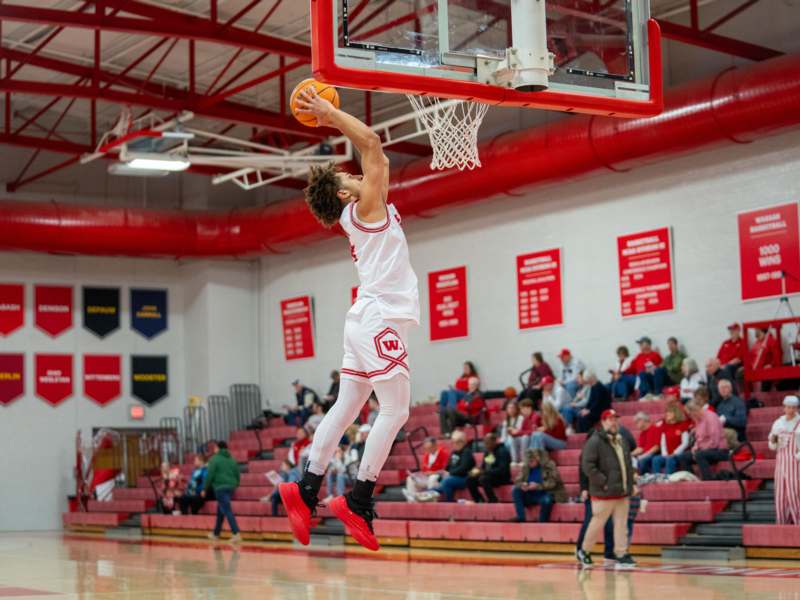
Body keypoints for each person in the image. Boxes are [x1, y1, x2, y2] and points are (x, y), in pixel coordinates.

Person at [279, 89, 421, 552]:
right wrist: (330, 114)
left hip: (364, 318)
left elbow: (376, 159)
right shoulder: (365, 209)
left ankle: (306, 489)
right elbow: (373, 146)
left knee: (346, 406)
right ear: (345, 194)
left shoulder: (364, 213)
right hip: (379, 317)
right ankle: (358, 499)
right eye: (349, 176)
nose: (358, 175)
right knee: (396, 410)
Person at [577, 409, 636, 569]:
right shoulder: (595, 441)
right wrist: (603, 482)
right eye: (610, 419)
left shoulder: (622, 440)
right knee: (596, 524)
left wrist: (631, 484)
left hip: (622, 492)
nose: (614, 422)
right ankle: (584, 551)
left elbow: (628, 465)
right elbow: (587, 465)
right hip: (603, 492)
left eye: (615, 419)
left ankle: (621, 554)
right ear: (603, 422)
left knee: (621, 524)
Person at [510, 448, 567, 523]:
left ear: (538, 458)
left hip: (547, 493)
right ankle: (521, 517)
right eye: (528, 462)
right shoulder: (526, 466)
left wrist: (538, 486)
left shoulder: (549, 465)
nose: (529, 464)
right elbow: (518, 480)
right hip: (531, 494)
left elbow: (553, 482)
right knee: (515, 490)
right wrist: (522, 484)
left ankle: (542, 522)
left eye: (531, 461)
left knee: (546, 500)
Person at [677, 399, 729, 480]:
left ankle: (708, 480)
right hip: (704, 450)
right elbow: (699, 439)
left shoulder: (711, 417)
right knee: (683, 457)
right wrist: (695, 449)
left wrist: (699, 450)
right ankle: (692, 479)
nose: (690, 416)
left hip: (719, 450)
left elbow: (714, 441)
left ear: (695, 410)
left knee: (700, 455)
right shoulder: (698, 419)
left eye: (690, 414)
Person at [768, 396, 800, 524]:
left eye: (793, 408)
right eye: (788, 407)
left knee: (795, 493)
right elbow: (772, 445)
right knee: (781, 494)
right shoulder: (778, 423)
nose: (790, 410)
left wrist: (797, 457)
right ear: (784, 408)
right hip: (781, 463)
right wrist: (774, 440)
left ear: (797, 409)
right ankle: (782, 523)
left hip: (796, 465)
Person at [204, 441, 241, 544]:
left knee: (227, 509)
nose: (214, 450)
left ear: (218, 448)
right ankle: (216, 533)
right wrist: (236, 484)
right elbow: (237, 473)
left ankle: (236, 533)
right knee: (221, 510)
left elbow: (210, 475)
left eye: (215, 448)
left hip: (220, 487)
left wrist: (204, 488)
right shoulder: (232, 459)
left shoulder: (214, 459)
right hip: (231, 487)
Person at [466, 433, 511, 503]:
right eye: (485, 443)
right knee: (470, 479)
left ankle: (493, 500)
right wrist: (477, 471)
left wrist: (485, 472)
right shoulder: (487, 452)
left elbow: (502, 470)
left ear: (494, 441)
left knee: (484, 479)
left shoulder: (502, 451)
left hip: (501, 477)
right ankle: (479, 500)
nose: (486, 446)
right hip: (488, 475)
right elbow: (484, 466)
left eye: (488, 443)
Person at [433, 431, 476, 502]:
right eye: (453, 442)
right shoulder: (454, 452)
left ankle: (450, 502)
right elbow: (447, 467)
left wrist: (450, 473)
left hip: (464, 478)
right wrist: (439, 479)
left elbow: (463, 468)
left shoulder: (467, 452)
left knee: (446, 481)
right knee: (433, 488)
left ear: (463, 442)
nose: (454, 444)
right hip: (453, 477)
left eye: (457, 442)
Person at [403, 436, 450, 501]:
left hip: (438, 478)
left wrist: (432, 473)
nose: (427, 450)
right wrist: (418, 475)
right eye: (426, 448)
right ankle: (412, 500)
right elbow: (423, 469)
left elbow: (445, 470)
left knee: (432, 478)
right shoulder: (427, 454)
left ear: (435, 445)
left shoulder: (443, 453)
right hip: (425, 478)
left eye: (429, 448)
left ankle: (430, 499)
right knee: (410, 478)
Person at [651, 402, 691, 475]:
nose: (667, 414)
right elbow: (663, 443)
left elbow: (685, 443)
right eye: (667, 412)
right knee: (656, 459)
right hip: (667, 454)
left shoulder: (682, 425)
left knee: (670, 459)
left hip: (679, 454)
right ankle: (656, 477)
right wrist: (665, 454)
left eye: (670, 412)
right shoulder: (665, 426)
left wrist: (675, 453)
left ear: (676, 413)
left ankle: (667, 478)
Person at [439, 362, 479, 432]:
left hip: (466, 393)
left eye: (467, 367)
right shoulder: (461, 378)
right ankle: (442, 409)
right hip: (458, 392)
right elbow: (457, 386)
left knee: (452, 392)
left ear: (471, 368)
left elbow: (472, 387)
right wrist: (454, 388)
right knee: (444, 392)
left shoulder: (473, 377)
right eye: (464, 368)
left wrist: (456, 390)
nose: (465, 369)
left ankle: (452, 410)